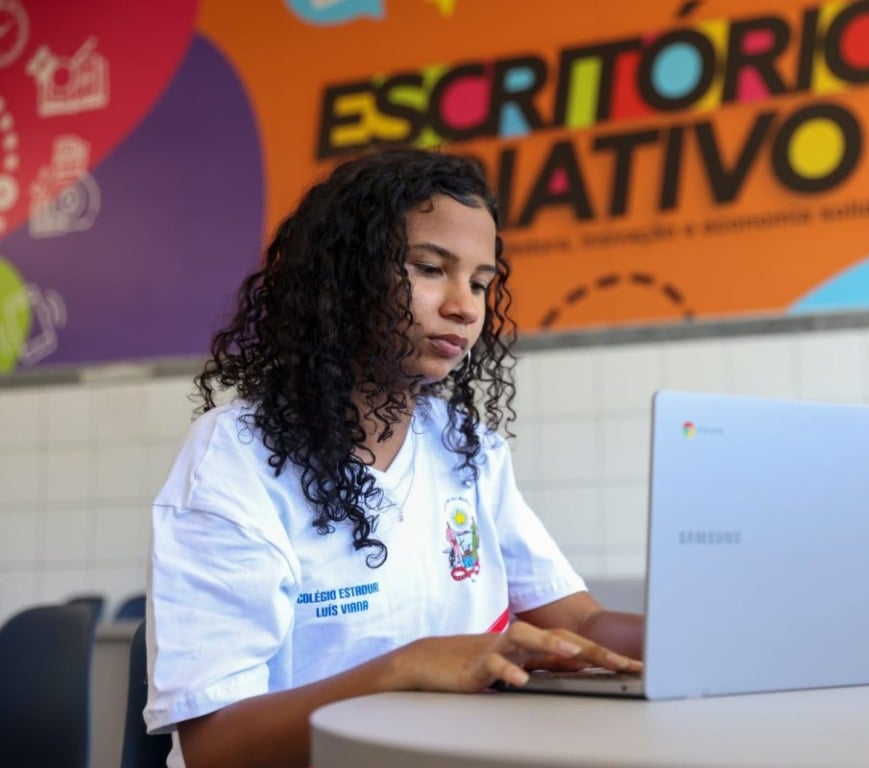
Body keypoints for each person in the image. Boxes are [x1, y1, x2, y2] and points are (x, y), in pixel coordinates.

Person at [144, 148, 644, 768]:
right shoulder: (238, 456)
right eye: (431, 268)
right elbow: (217, 746)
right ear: (344, 278)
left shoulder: (467, 448)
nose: (465, 305)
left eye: (482, 283)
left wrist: (711, 636)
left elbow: (584, 626)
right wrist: (407, 667)